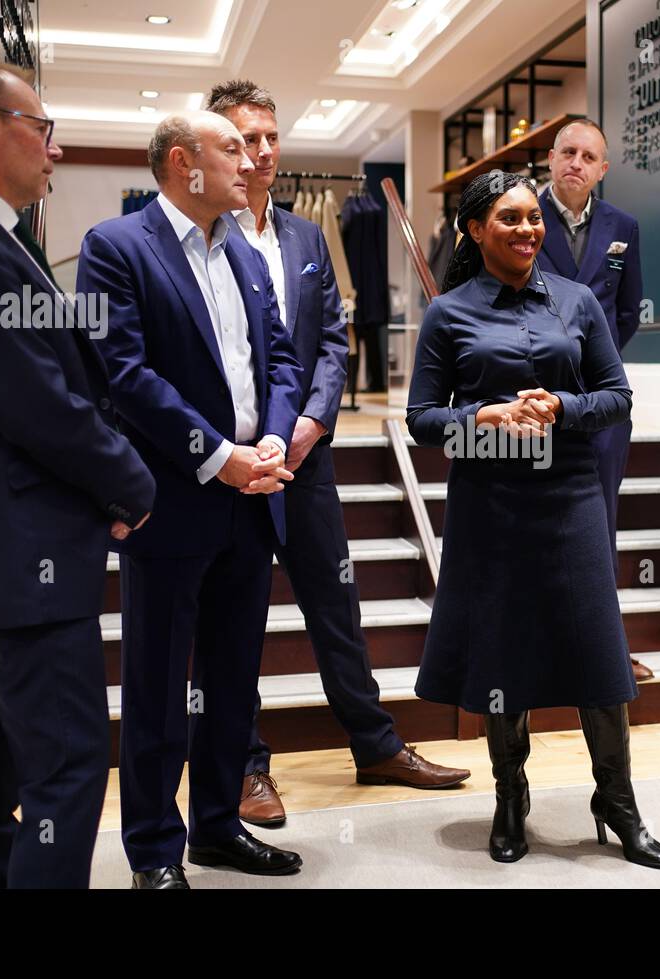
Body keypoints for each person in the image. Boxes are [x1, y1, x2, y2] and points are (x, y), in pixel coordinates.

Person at [0, 58, 155, 888]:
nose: (54, 147)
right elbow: (42, 408)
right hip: (26, 556)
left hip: (10, 559)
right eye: (42, 128)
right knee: (70, 768)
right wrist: (133, 483)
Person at [206, 80, 470, 829]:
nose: (260, 152)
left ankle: (376, 743)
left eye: (268, 136)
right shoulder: (200, 239)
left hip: (305, 459)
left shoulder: (305, 238)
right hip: (232, 468)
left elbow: (329, 342)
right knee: (236, 622)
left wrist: (315, 421)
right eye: (243, 139)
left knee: (335, 604)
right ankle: (246, 764)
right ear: (217, 147)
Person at [406, 170, 660, 869]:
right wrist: (482, 416)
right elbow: (422, 422)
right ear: (474, 230)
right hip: (490, 501)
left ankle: (617, 800)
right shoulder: (449, 312)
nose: (529, 230)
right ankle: (509, 792)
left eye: (534, 218)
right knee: (501, 650)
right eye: (511, 219)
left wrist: (561, 407)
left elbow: (616, 397)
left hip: (571, 496)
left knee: (597, 648)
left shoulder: (580, 301)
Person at [75, 111, 306, 889]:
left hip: (254, 497)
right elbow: (126, 374)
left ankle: (215, 828)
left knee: (233, 679)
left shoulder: (240, 245)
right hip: (173, 500)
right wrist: (222, 457)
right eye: (233, 148)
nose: (253, 161)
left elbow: (277, 353)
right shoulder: (116, 247)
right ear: (184, 163)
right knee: (157, 688)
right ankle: (152, 851)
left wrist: (272, 440)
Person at [537, 119, 652, 683]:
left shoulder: (622, 226)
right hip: (532, 400)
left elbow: (628, 312)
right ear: (551, 158)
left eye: (589, 157)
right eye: (568, 153)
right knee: (536, 519)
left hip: (602, 407)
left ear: (602, 169)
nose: (577, 163)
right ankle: (541, 644)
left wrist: (597, 369)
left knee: (599, 524)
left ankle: (604, 648)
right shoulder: (521, 215)